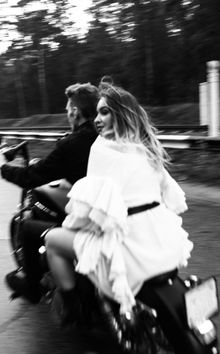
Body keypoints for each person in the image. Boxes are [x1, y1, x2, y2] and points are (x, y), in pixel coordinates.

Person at [45, 83, 193, 332]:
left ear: (120, 115)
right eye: (97, 113)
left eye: (105, 112)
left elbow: (92, 212)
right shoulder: (146, 149)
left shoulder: (102, 148)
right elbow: (172, 200)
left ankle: (73, 310)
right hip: (160, 242)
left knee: (52, 241)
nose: (97, 119)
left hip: (126, 246)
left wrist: (70, 225)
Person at [2, 82, 99, 303]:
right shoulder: (106, 136)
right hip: (114, 209)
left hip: (91, 216)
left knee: (27, 227)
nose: (67, 114)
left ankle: (30, 282)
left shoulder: (72, 144)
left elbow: (33, 176)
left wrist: (4, 169)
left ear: (75, 111)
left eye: (67, 110)